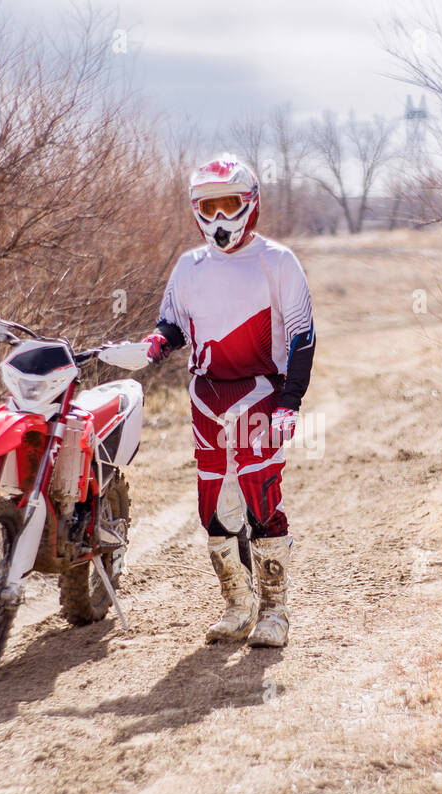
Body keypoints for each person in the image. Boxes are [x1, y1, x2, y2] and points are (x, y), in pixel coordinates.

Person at [142, 154, 315, 648]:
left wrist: (291, 401)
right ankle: (238, 605)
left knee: (262, 500)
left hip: (261, 394)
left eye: (229, 204)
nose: (218, 218)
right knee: (213, 508)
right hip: (205, 398)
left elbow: (302, 335)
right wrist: (157, 343)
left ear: (250, 202)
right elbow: (171, 322)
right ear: (195, 209)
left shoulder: (277, 261)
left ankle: (275, 610)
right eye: (207, 206)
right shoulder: (189, 266)